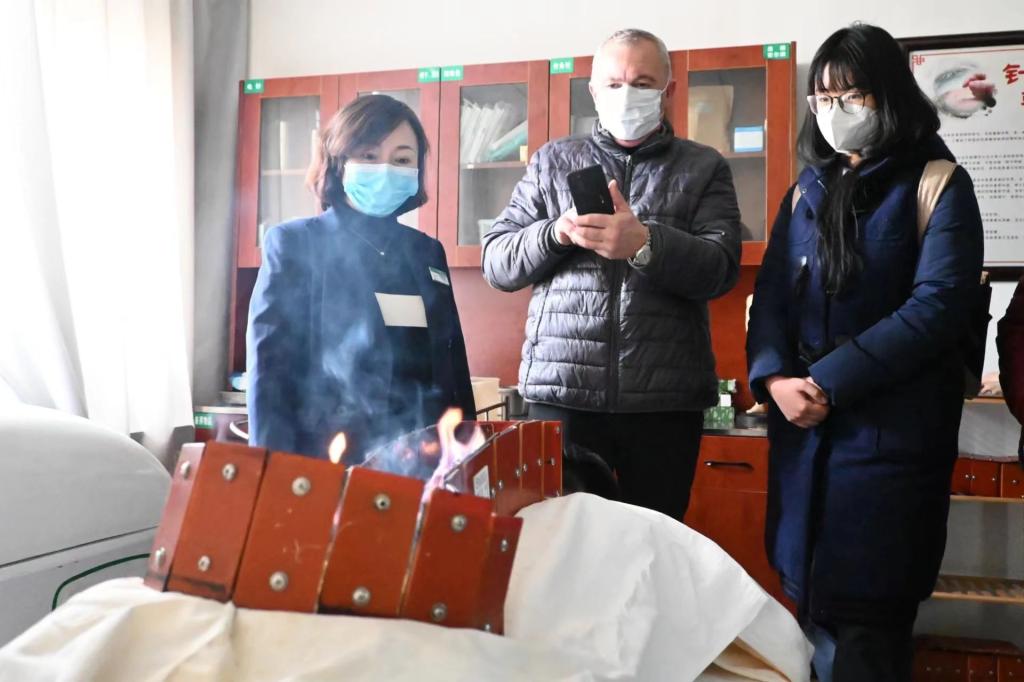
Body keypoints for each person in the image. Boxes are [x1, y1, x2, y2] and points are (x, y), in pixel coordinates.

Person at [746, 23, 984, 682]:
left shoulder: (938, 184)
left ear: (890, 95)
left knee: (868, 637)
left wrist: (827, 382)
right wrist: (774, 381)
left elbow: (936, 309)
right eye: (824, 97)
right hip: (804, 447)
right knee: (809, 627)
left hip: (888, 447)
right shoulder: (806, 191)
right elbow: (771, 301)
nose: (836, 110)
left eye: (853, 95)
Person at [481, 28, 741, 519]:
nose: (627, 94)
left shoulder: (703, 167)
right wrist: (555, 233)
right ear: (594, 92)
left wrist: (645, 244)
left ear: (668, 90)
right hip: (563, 394)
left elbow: (722, 268)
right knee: (562, 542)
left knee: (653, 544)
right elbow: (497, 262)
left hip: (665, 404)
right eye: (615, 83)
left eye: (643, 83)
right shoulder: (553, 161)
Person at [247, 95, 475, 461]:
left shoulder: (426, 252)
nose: (386, 169)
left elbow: (453, 365)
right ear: (339, 162)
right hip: (327, 459)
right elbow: (269, 371)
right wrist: (271, 470)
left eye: (402, 160)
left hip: (422, 458)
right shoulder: (295, 244)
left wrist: (467, 456)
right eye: (369, 155)